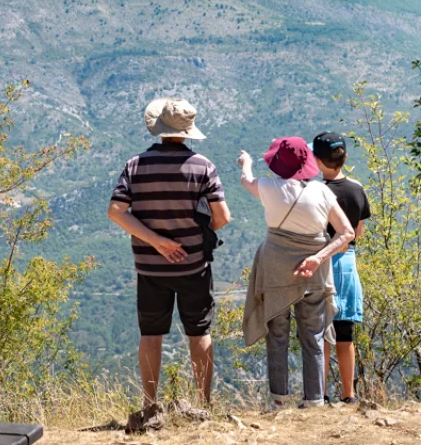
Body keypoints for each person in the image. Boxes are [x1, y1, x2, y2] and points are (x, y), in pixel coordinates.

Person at [108, 98, 231, 428]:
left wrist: (157, 242)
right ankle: (204, 406)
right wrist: (193, 233)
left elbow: (116, 211)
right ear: (188, 131)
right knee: (199, 334)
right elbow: (222, 217)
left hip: (150, 268)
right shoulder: (203, 166)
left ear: (159, 128)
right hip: (194, 266)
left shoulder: (136, 165)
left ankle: (150, 407)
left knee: (150, 336)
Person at [239, 137, 354, 408]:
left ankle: (279, 401)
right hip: (312, 273)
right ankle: (314, 401)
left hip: (275, 272)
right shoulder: (323, 193)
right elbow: (346, 233)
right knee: (313, 337)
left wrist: (247, 163)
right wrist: (317, 258)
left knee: (277, 336)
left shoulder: (267, 187)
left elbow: (246, 181)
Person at [312, 132, 371, 404]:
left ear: (316, 160)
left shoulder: (315, 192)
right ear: (344, 157)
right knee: (345, 333)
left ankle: (320, 394)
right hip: (348, 263)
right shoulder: (357, 189)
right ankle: (349, 394)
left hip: (321, 262)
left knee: (322, 334)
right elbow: (357, 231)